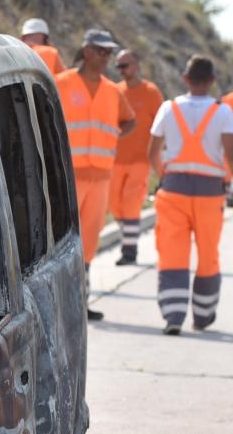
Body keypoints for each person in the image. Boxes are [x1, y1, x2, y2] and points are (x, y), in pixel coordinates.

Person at [146, 55, 233, 334]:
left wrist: (165, 175)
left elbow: (153, 152)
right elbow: (230, 155)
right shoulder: (223, 112)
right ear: (212, 81)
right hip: (210, 193)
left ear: (185, 78)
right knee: (208, 253)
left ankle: (173, 316)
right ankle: (203, 315)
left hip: (173, 191)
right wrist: (227, 181)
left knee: (172, 252)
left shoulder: (168, 108)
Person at [55, 29, 135, 320]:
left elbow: (130, 121)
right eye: (102, 51)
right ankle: (60, 305)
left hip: (100, 177)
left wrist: (112, 135)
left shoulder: (112, 90)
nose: (107, 58)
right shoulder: (62, 83)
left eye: (110, 53)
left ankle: (79, 303)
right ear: (87, 50)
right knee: (63, 239)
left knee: (88, 242)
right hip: (68, 177)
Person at [110, 49, 164, 264]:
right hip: (114, 159)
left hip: (141, 160)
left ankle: (129, 251)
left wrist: (159, 155)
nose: (121, 70)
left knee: (131, 204)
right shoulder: (115, 91)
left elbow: (161, 126)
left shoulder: (151, 92)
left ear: (137, 65)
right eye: (118, 66)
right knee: (114, 205)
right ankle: (128, 238)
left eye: (125, 65)